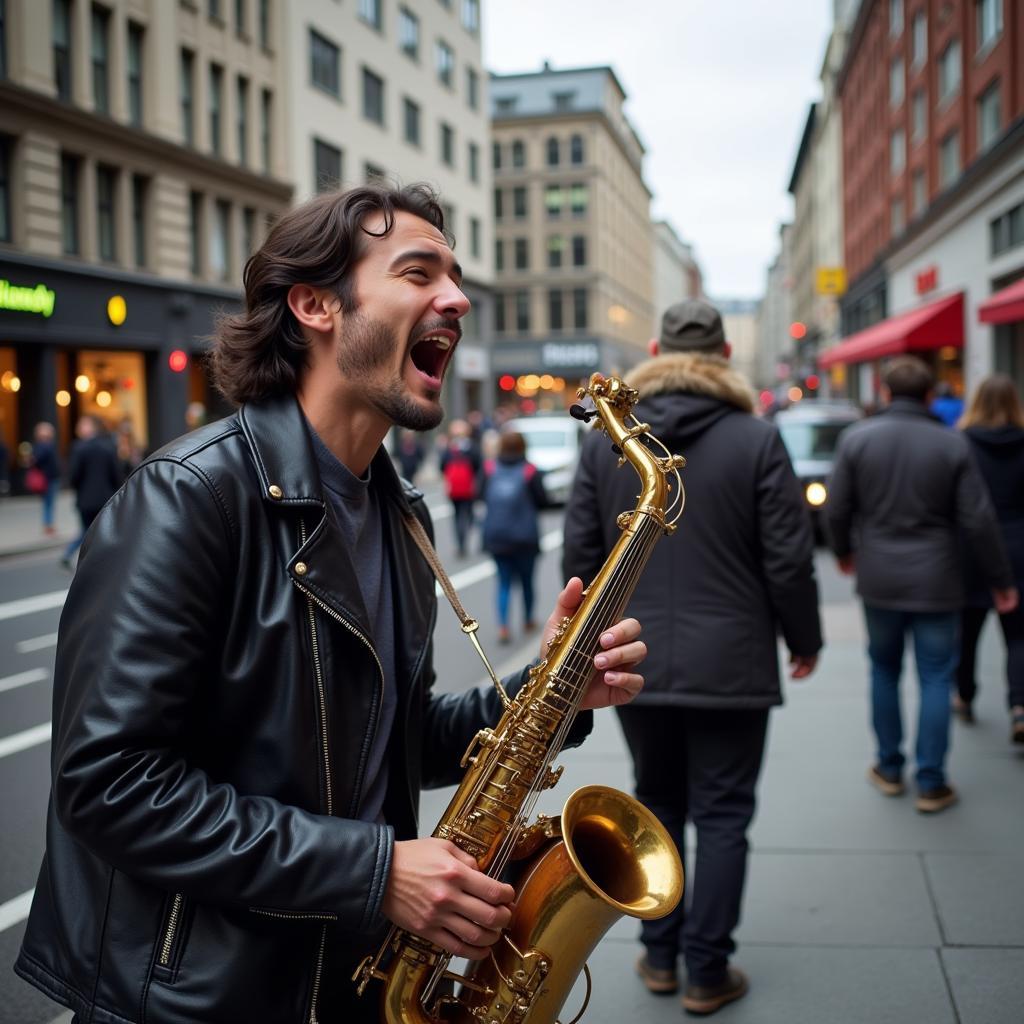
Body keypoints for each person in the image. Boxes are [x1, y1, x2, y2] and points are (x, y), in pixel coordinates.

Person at [15, 184, 648, 1024]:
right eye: (418, 272)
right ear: (315, 305)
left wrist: (555, 687)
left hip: (343, 980)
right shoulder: (187, 498)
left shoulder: (396, 513)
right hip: (193, 1001)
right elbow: (110, 784)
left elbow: (391, 740)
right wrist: (376, 872)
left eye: (454, 276)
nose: (456, 299)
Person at [563, 297, 822, 1017]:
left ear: (653, 349)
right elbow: (788, 559)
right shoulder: (757, 437)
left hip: (630, 657)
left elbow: (580, 556)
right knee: (726, 814)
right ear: (726, 358)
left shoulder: (609, 440)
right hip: (733, 660)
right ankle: (709, 970)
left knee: (659, 802)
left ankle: (657, 954)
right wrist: (805, 640)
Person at [826, 356, 1018, 816]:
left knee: (884, 669)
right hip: (938, 577)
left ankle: (889, 769)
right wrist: (1001, 580)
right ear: (931, 396)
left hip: (880, 576)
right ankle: (932, 781)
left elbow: (836, 509)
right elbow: (978, 518)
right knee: (935, 675)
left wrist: (844, 553)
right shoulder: (951, 445)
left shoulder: (857, 440)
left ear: (886, 394)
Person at [953, 374, 1024, 743]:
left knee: (967, 632)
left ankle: (963, 695)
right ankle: (1020, 706)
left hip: (973, 549)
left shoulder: (961, 443)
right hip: (1018, 546)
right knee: (1018, 636)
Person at [481, 430, 549, 644]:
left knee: (503, 583)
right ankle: (528, 620)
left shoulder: (489, 469)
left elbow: (478, 494)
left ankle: (503, 626)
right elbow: (543, 501)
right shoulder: (530, 471)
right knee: (527, 582)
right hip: (525, 537)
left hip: (497, 536)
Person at [59, 415, 124, 570]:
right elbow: (116, 474)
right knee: (102, 531)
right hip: (106, 498)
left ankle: (80, 559)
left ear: (91, 427)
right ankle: (101, 562)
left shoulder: (79, 447)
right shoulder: (109, 446)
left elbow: (74, 476)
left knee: (87, 532)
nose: (79, 429)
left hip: (85, 500)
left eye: (82, 425)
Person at [440, 417, 481, 556]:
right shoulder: (472, 447)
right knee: (467, 514)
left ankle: (461, 544)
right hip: (468, 488)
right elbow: (478, 465)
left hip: (455, 489)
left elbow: (442, 466)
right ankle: (463, 540)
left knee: (458, 516)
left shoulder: (449, 448)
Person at [30, 421, 62, 534]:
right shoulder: (43, 446)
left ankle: (48, 524)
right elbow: (37, 460)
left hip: (50, 477)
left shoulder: (46, 445)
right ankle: (48, 525)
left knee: (49, 502)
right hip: (48, 478)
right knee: (48, 503)